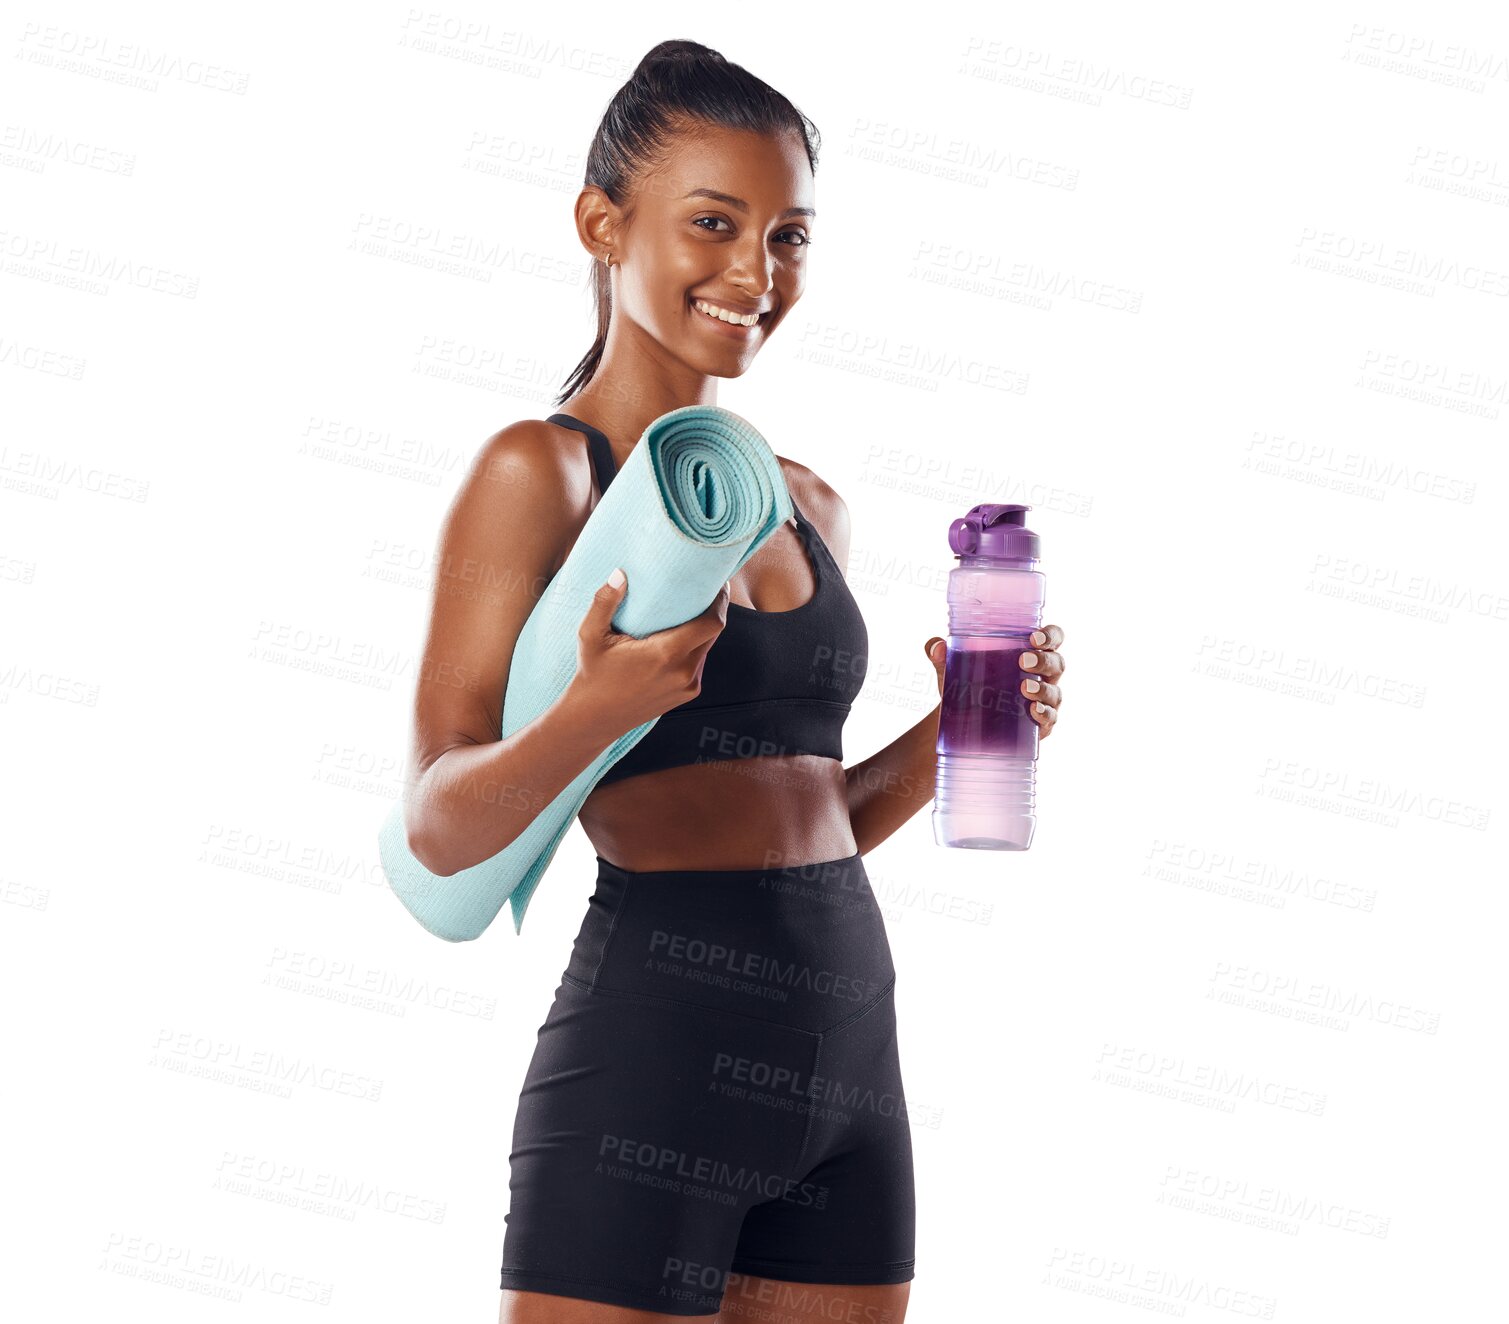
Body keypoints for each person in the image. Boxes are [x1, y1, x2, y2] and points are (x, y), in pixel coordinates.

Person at [396, 39, 1066, 1323]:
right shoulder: (544, 477)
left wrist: (959, 733)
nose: (757, 274)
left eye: (791, 235)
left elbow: (810, 816)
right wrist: (594, 711)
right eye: (716, 223)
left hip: (853, 1064)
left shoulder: (809, 503)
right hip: (655, 1058)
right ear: (604, 222)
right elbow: (435, 830)